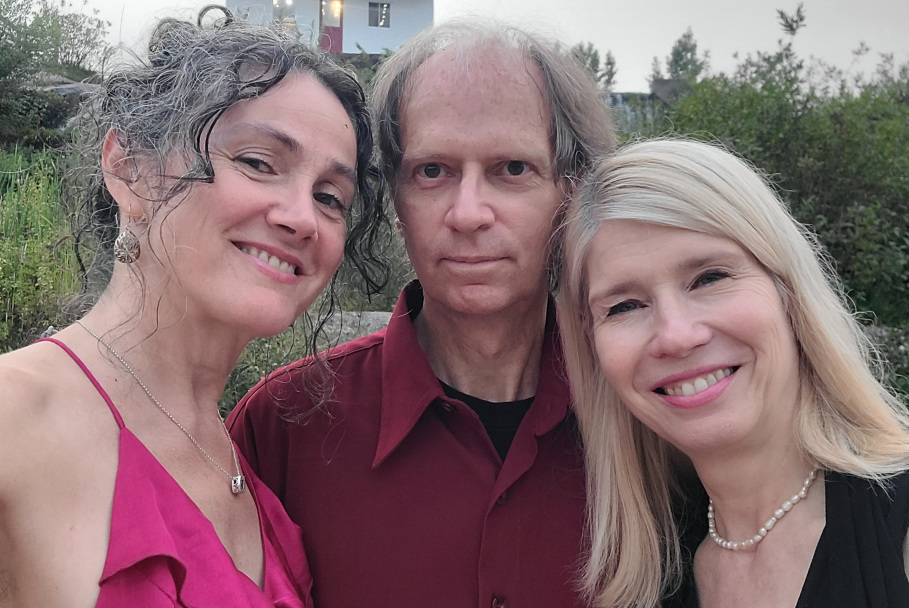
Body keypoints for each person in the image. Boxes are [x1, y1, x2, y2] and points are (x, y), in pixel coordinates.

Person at [0, 7, 388, 607]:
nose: (302, 217)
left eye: (330, 197)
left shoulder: (244, 461)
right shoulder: (15, 421)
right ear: (129, 168)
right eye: (258, 163)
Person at [228, 19, 615, 607]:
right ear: (396, 202)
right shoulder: (281, 429)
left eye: (513, 169)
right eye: (432, 171)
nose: (468, 214)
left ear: (572, 192)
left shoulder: (642, 422)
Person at [558, 138, 909, 608]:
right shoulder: (649, 577)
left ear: (788, 291)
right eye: (624, 306)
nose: (676, 336)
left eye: (710, 278)